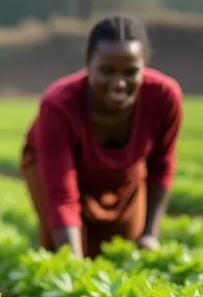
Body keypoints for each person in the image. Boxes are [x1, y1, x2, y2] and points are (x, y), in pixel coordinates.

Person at [20, 14, 183, 259]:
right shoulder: (58, 105)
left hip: (122, 174)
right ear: (88, 63)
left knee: (124, 248)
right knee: (62, 250)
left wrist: (149, 234)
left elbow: (162, 165)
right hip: (49, 169)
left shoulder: (164, 97)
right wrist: (72, 265)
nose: (119, 83)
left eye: (130, 72)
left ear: (144, 66)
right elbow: (62, 195)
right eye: (107, 71)